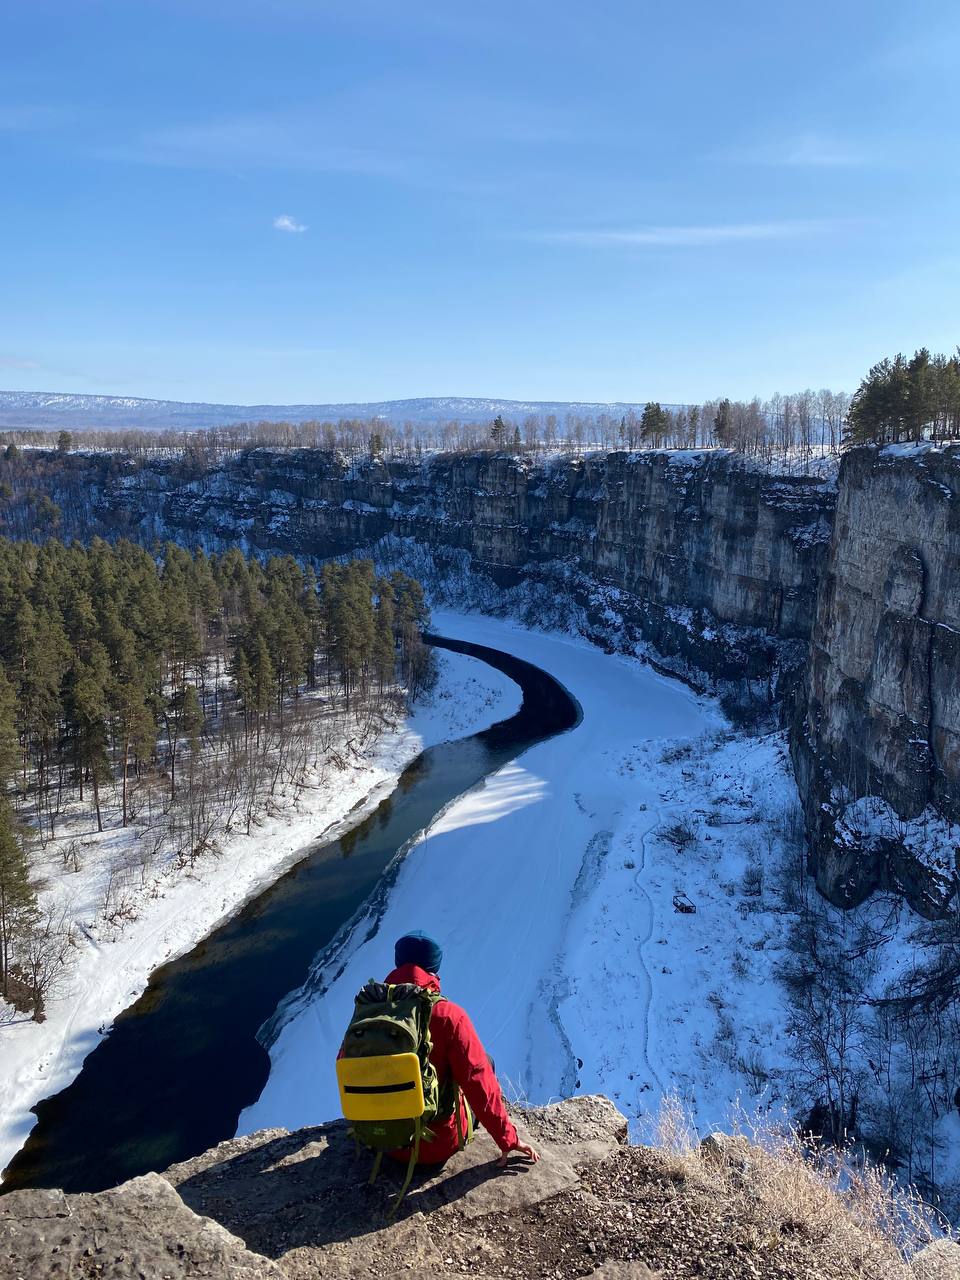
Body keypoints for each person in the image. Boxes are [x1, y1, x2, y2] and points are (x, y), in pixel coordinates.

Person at [385, 930, 539, 1169]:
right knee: (485, 1062)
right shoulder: (447, 1016)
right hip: (433, 1147)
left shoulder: (369, 1009)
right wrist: (508, 1139)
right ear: (434, 970)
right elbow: (478, 1083)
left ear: (397, 963)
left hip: (380, 1141)